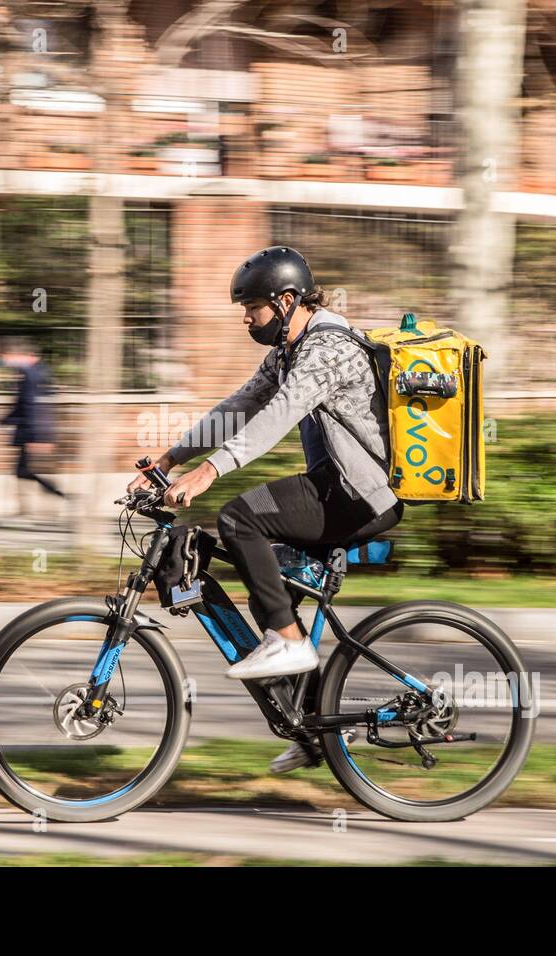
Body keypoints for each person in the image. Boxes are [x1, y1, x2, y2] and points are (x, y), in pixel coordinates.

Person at [128, 246, 403, 772]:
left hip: (358, 494)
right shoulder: (287, 351)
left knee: (238, 517)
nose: (246, 318)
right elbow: (239, 407)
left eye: (252, 306)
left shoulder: (327, 348)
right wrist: (171, 456)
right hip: (332, 487)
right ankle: (313, 731)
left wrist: (210, 472)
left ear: (285, 300)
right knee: (266, 591)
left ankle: (288, 642)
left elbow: (280, 414)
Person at [0, 337, 67, 514]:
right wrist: (4, 420)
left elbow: (32, 405)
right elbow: (24, 405)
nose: (6, 360)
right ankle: (35, 504)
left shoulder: (32, 374)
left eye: (9, 356)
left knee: (25, 470)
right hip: (34, 431)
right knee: (22, 470)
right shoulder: (39, 371)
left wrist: (38, 437)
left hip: (34, 432)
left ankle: (58, 496)